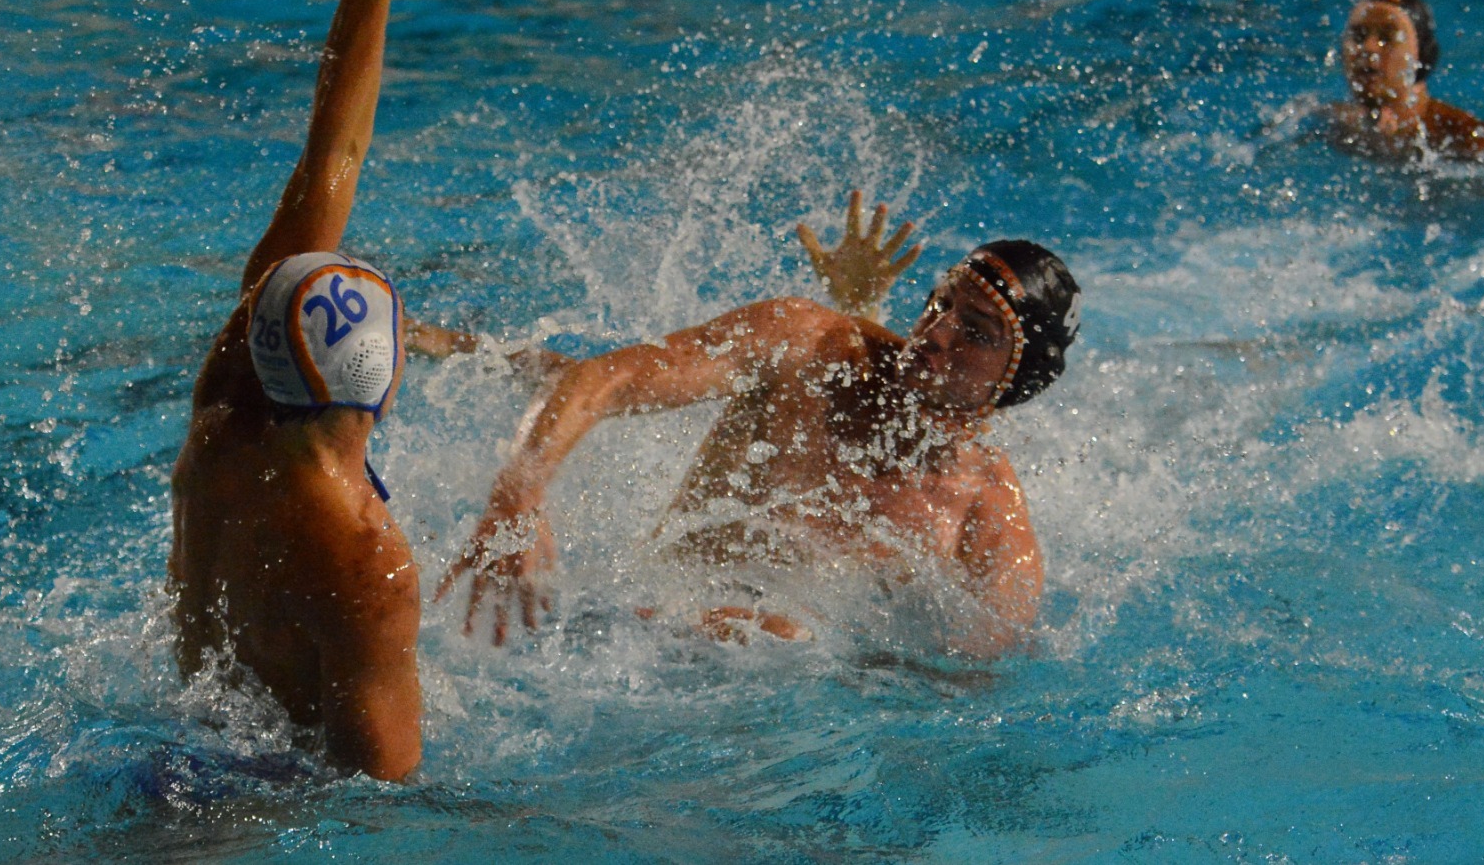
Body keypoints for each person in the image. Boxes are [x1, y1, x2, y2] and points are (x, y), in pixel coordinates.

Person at [433, 199, 1081, 657]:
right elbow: (606, 378)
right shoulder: (808, 341)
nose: (935, 329)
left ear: (1015, 380)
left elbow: (966, 690)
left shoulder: (986, 521)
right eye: (941, 300)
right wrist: (518, 492)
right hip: (627, 633)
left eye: (975, 331)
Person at [166, 0, 460, 782]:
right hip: (266, 814)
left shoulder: (224, 420)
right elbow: (386, 800)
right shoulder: (365, 561)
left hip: (174, 761)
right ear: (382, 383)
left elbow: (329, 160)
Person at [1320, 0, 1484, 161]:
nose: (1368, 48)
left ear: (1422, 55)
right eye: (1359, 36)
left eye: (1387, 37)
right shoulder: (1332, 123)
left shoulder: (1470, 141)